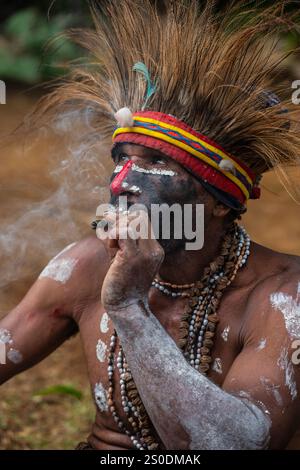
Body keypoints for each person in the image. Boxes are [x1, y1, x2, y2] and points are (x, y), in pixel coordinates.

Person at [1, 0, 300, 450]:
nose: (122, 181)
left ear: (219, 201)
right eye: (120, 160)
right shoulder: (84, 266)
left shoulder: (281, 296)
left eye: (156, 161)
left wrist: (128, 307)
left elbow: (235, 444)